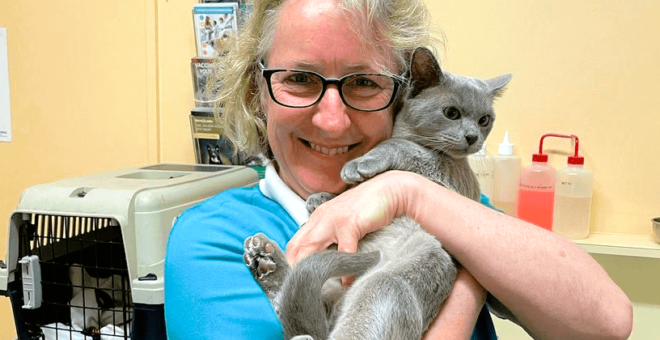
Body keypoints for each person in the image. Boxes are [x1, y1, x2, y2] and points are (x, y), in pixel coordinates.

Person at [164, 0, 633, 339]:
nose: (332, 119)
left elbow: (607, 323)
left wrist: (413, 194)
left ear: (403, 94)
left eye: (365, 82)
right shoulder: (212, 238)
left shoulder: (440, 194)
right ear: (256, 95)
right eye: (300, 80)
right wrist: (470, 277)